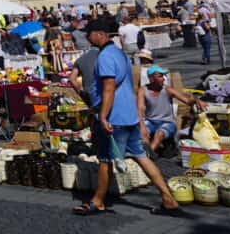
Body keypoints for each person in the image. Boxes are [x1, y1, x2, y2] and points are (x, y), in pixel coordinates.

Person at [73, 19, 180, 217]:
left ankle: (98, 201)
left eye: (89, 34)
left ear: (99, 34)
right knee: (140, 156)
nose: (87, 38)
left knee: (105, 159)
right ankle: (168, 198)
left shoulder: (105, 57)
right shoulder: (120, 53)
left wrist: (103, 116)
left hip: (115, 117)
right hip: (129, 115)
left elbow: (108, 87)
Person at [139, 65, 203, 156]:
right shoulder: (143, 90)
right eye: (160, 76)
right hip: (150, 121)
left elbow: (187, 100)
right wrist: (142, 126)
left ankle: (147, 155)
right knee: (142, 132)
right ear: (152, 78)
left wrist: (196, 100)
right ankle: (146, 152)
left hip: (167, 122)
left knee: (159, 133)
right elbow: (140, 108)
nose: (163, 79)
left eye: (163, 76)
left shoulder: (167, 89)